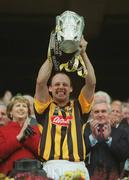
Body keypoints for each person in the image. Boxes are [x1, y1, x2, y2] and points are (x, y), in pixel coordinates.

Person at [34, 36, 96, 180]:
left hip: (77, 167)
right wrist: (52, 54)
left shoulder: (79, 107)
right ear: (50, 88)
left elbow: (91, 83)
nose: (61, 87)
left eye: (65, 85)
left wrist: (83, 54)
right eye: (56, 84)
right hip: (50, 166)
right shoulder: (45, 107)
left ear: (71, 89)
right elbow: (40, 82)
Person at [84, 100, 129, 180]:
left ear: (109, 114)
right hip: (89, 176)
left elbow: (123, 155)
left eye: (103, 111)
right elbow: (79, 153)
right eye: (96, 112)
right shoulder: (85, 130)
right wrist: (93, 138)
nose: (100, 114)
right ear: (92, 115)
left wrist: (109, 139)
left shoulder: (120, 132)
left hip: (113, 177)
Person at [0, 95, 40, 175]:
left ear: (28, 113)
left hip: (33, 172)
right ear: (10, 112)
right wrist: (19, 138)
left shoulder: (36, 129)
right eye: (18, 105)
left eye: (24, 106)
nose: (21, 108)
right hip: (9, 173)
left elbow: (41, 152)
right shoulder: (2, 130)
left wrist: (26, 138)